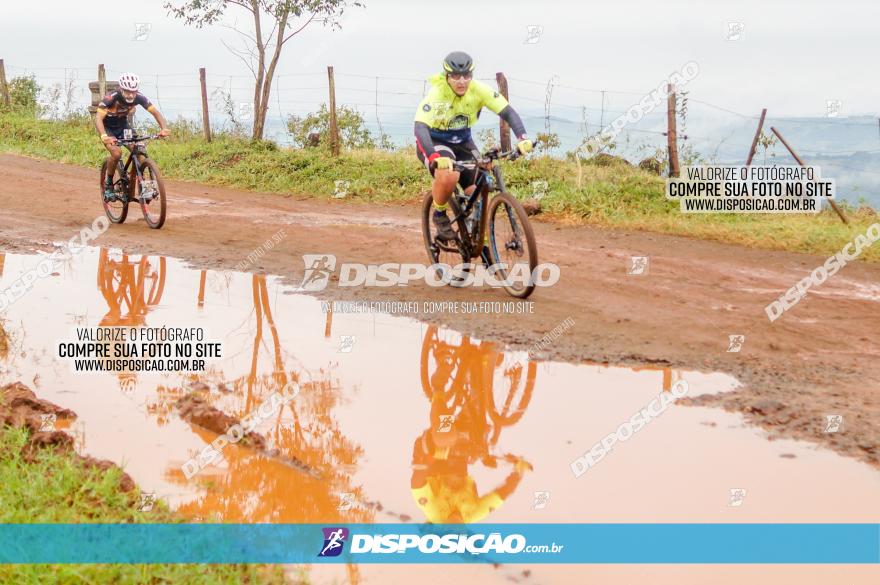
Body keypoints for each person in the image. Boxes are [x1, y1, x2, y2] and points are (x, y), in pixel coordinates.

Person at [414, 51, 532, 241]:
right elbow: (420, 128)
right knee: (450, 174)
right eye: (455, 76)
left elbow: (508, 112)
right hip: (435, 142)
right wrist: (434, 156)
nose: (461, 81)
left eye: (466, 76)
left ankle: (480, 245)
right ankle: (440, 215)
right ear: (447, 76)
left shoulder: (478, 90)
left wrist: (523, 137)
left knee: (479, 192)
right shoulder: (437, 94)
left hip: (463, 142)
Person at [96, 73, 170, 199]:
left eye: (133, 92)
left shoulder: (139, 97)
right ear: (121, 89)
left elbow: (156, 113)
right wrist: (104, 135)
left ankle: (142, 185)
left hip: (123, 126)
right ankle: (108, 185)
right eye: (127, 92)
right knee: (116, 153)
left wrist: (164, 128)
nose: (130, 95)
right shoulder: (110, 97)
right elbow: (98, 119)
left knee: (140, 152)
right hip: (108, 128)